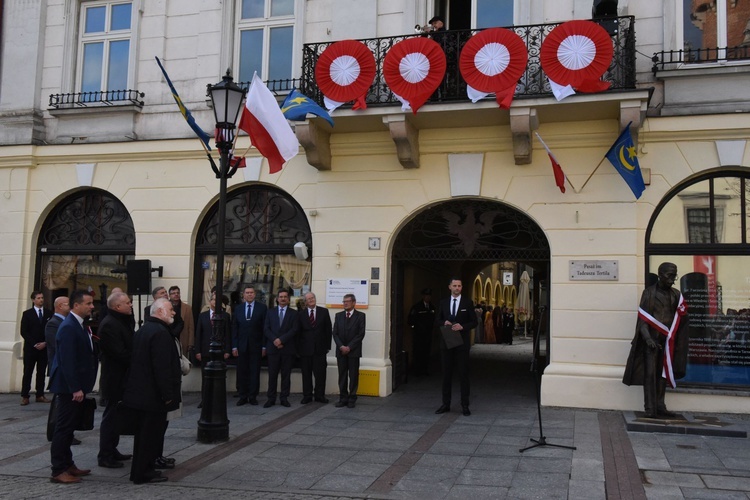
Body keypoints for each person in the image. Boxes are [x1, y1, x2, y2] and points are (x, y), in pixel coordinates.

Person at [122, 298, 180, 484]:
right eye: (170, 309)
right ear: (160, 311)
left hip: (141, 394)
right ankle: (143, 473)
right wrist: (168, 395)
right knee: (149, 437)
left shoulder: (144, 330)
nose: (173, 313)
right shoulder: (161, 333)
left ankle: (141, 470)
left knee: (143, 436)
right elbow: (161, 367)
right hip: (152, 396)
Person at [623, 262, 690, 418]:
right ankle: (649, 407)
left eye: (675, 275)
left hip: (668, 342)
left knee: (663, 374)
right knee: (650, 374)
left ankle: (660, 406)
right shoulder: (649, 293)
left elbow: (681, 318)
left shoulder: (676, 295)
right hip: (652, 342)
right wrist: (647, 339)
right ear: (660, 274)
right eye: (670, 275)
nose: (673, 279)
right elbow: (643, 320)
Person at [48, 290, 98, 484]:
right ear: (76, 305)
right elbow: (67, 360)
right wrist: (75, 388)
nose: (92, 306)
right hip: (69, 387)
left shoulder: (79, 325)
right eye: (88, 303)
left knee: (69, 428)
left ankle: (68, 464)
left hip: (76, 386)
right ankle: (58, 470)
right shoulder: (69, 327)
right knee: (63, 428)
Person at [97, 291, 135, 468]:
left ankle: (113, 449)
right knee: (111, 417)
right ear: (117, 307)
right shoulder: (109, 324)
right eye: (128, 303)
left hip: (123, 378)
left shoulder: (122, 321)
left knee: (117, 416)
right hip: (114, 378)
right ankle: (105, 454)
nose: (131, 305)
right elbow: (119, 353)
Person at [435, 278, 477, 416]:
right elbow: (437, 320)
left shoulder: (467, 303)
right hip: (447, 342)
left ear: (462, 287)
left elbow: (474, 322)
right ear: (449, 287)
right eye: (454, 285)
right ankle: (445, 404)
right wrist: (444, 322)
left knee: (463, 374)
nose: (457, 288)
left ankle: (465, 405)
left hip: (462, 344)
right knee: (446, 374)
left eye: (459, 285)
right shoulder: (443, 303)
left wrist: (462, 326)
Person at [232, 285, 268, 406]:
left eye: (251, 293)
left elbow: (265, 329)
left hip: (256, 346)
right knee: (242, 372)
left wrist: (264, 346)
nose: (249, 294)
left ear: (255, 294)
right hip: (241, 346)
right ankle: (243, 395)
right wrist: (234, 346)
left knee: (254, 372)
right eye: (247, 293)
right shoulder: (238, 309)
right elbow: (235, 328)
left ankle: (253, 396)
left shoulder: (262, 308)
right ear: (243, 295)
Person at [194, 292, 231, 408]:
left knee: (220, 377)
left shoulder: (225, 316)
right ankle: (204, 400)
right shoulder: (203, 316)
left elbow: (228, 334)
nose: (216, 302)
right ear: (210, 302)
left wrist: (227, 350)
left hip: (220, 352)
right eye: (214, 300)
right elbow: (198, 334)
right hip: (205, 351)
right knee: (205, 377)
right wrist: (197, 351)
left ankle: (218, 401)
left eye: (218, 300)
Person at [264, 289, 298, 408]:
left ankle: (284, 398)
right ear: (277, 299)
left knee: (286, 375)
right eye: (281, 297)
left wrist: (281, 340)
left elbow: (294, 330)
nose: (283, 299)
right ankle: (271, 398)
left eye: (285, 297)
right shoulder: (270, 312)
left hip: (287, 348)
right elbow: (266, 329)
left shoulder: (294, 313)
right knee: (272, 375)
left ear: (288, 300)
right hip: (273, 349)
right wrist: (275, 340)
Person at [297, 292, 333, 404]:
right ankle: (307, 395)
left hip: (320, 349)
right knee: (306, 374)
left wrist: (327, 346)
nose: (311, 300)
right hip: (305, 350)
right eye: (308, 299)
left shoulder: (324, 312)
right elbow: (298, 332)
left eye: (312, 298)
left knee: (320, 374)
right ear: (305, 302)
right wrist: (298, 349)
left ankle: (320, 395)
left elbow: (328, 329)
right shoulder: (301, 314)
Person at [332, 294, 366, 409]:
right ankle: (343, 398)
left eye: (347, 301)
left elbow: (360, 334)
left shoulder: (360, 316)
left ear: (354, 302)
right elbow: (335, 333)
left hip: (353, 351)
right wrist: (341, 346)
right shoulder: (338, 315)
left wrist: (349, 347)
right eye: (344, 301)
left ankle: (352, 398)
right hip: (341, 351)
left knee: (353, 375)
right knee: (342, 375)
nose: (345, 303)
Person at [20, 290, 53, 405]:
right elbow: (24, 331)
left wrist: (45, 343)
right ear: (33, 300)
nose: (41, 300)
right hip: (31, 348)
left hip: (44, 348)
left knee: (41, 372)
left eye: (42, 298)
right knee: (28, 371)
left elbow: (51, 331)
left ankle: (40, 394)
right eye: (38, 298)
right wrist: (34, 343)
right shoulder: (27, 314)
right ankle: (25, 395)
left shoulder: (49, 314)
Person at [408, 288, 435, 375]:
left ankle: (425, 369)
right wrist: (415, 328)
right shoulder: (417, 307)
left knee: (426, 352)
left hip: (428, 334)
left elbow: (434, 320)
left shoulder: (432, 307)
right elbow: (410, 320)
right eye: (426, 295)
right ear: (423, 296)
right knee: (418, 352)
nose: (428, 297)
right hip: (418, 334)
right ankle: (417, 370)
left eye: (429, 296)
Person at [168, 285, 195, 357]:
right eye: (173, 293)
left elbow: (191, 326)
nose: (176, 294)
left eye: (178, 293)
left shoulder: (187, 308)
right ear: (169, 295)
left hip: (183, 339)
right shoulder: (165, 306)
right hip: (169, 338)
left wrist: (190, 343)